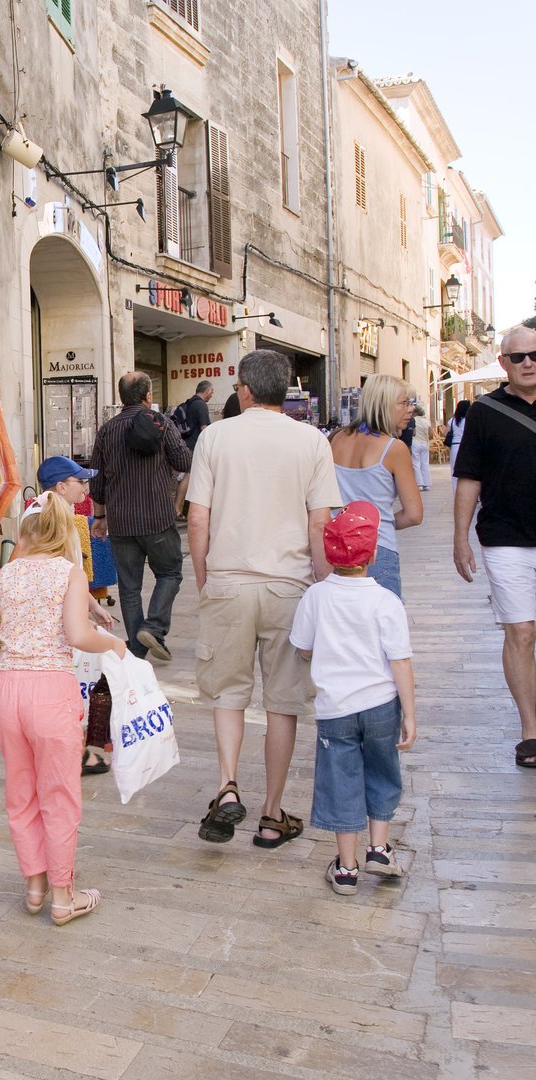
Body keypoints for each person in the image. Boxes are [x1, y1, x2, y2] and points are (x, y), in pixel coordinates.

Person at [187, 349, 342, 847]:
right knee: (283, 702)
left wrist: (203, 577)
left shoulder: (215, 436)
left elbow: (197, 517)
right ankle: (273, 814)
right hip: (290, 587)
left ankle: (228, 787)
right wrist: (323, 586)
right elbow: (321, 522)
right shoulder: (312, 442)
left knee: (228, 693)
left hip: (228, 581)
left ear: (244, 389)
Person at [0, 492, 127, 925]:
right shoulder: (70, 574)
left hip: (8, 689)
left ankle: (34, 885)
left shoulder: (5, 575)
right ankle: (63, 895)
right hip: (51, 689)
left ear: (24, 533)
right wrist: (113, 644)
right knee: (59, 795)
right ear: (62, 534)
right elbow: (77, 635)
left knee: (21, 793)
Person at [290, 501, 417, 895]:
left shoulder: (315, 597)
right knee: (382, 773)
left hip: (336, 710)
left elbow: (303, 648)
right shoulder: (386, 602)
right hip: (381, 706)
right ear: (373, 554)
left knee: (341, 781)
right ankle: (379, 849)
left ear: (329, 552)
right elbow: (400, 663)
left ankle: (346, 869)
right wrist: (410, 714)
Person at [453, 325, 536, 769]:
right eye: (518, 357)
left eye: (534, 355)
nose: (528, 363)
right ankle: (531, 731)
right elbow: (469, 477)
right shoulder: (485, 412)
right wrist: (459, 537)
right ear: (503, 363)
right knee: (520, 632)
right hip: (505, 539)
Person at [88, 372, 193, 664]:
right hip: (157, 517)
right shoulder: (163, 424)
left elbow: (96, 481)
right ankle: (154, 627)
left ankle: (136, 647)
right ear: (148, 396)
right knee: (170, 573)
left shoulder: (107, 430)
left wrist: (100, 516)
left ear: (122, 397)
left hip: (121, 522)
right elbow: (184, 461)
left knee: (129, 586)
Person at [35, 455, 117, 774]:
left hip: (66, 615)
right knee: (85, 681)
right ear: (61, 486)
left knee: (84, 682)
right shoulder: (44, 517)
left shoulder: (62, 513)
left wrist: (93, 606)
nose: (86, 487)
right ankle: (71, 751)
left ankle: (74, 748)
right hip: (56, 620)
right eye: (80, 482)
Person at [327, 375, 423, 599]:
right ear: (384, 404)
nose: (411, 409)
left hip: (337, 549)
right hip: (377, 550)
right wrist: (377, 522)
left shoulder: (335, 440)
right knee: (383, 627)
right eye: (404, 403)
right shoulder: (394, 448)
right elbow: (414, 514)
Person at [173, 380, 214, 517]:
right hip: (194, 445)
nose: (212, 395)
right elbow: (204, 428)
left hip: (185, 444)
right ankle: (177, 509)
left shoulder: (189, 402)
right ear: (207, 391)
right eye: (212, 392)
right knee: (189, 476)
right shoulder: (201, 405)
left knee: (187, 476)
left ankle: (180, 508)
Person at [441, 399, 471, 493]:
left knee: (454, 472)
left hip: (455, 446)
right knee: (467, 471)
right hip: (466, 446)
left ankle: (456, 493)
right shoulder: (469, 420)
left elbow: (445, 433)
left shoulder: (453, 420)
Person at [411, 403, 431, 491]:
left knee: (416, 463)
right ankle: (427, 483)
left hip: (415, 442)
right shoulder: (426, 421)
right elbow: (430, 434)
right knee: (425, 463)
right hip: (425, 443)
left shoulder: (412, 420)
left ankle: (419, 484)